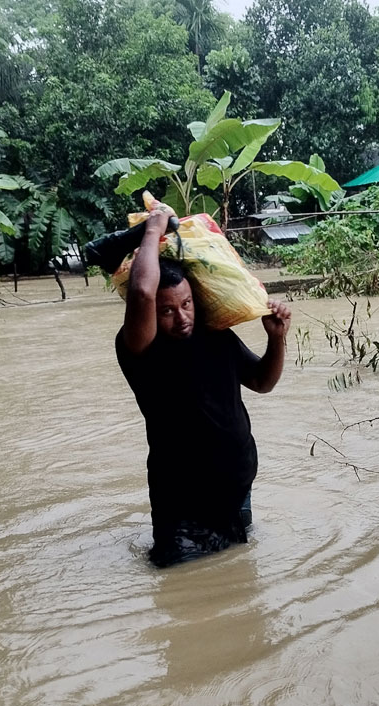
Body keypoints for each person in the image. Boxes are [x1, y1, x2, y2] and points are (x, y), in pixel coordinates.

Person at [117, 205, 292, 568]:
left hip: (236, 489)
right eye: (167, 311)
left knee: (241, 583)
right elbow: (142, 295)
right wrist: (153, 230)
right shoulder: (140, 347)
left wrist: (277, 339)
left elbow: (262, 382)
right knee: (181, 593)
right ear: (151, 313)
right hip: (183, 504)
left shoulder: (217, 335)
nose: (181, 317)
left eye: (186, 304)